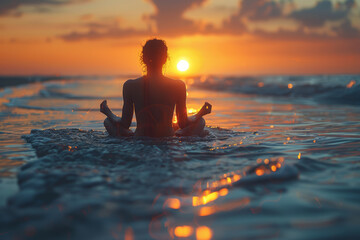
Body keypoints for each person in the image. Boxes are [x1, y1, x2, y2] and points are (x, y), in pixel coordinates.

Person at [100, 38, 212, 137]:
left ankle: (132, 135)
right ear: (165, 59)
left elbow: (125, 123)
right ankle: (177, 134)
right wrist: (200, 113)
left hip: (140, 139)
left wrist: (107, 112)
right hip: (167, 139)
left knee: (107, 122)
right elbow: (183, 123)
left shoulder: (130, 85)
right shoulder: (178, 85)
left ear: (143, 58)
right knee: (201, 122)